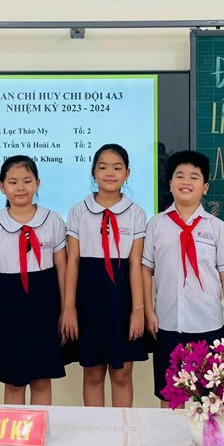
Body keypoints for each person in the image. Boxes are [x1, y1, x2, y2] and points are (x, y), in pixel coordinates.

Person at [141, 150, 224, 403]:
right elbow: (145, 271)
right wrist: (148, 312)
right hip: (167, 326)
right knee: (170, 397)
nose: (186, 181)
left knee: (209, 398)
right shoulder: (156, 225)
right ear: (170, 184)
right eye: (179, 176)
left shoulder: (216, 228)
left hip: (208, 326)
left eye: (194, 177)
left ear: (204, 187)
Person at [62, 144, 148, 407]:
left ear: (127, 173)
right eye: (103, 167)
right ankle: (95, 430)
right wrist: (69, 307)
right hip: (88, 300)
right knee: (93, 372)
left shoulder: (136, 213)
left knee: (122, 374)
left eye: (117, 167)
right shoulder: (79, 211)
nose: (110, 173)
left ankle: (122, 430)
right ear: (94, 172)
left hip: (122, 300)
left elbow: (135, 264)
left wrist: (138, 310)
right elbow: (72, 261)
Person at [0, 155, 68, 405]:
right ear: (1, 186)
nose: (20, 187)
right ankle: (16, 430)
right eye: (13, 182)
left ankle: (41, 427)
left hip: (45, 305)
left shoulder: (52, 220)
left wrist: (65, 311)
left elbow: (62, 267)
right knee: (14, 381)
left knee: (42, 379)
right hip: (9, 308)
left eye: (27, 181)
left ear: (37, 183)